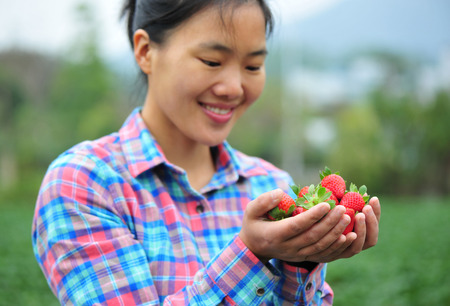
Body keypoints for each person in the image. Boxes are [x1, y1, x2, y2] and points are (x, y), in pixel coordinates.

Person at [32, 0, 381, 305]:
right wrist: (251, 253)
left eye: (253, 66)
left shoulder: (272, 185)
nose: (233, 87)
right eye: (212, 61)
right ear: (145, 52)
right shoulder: (85, 183)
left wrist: (302, 262)